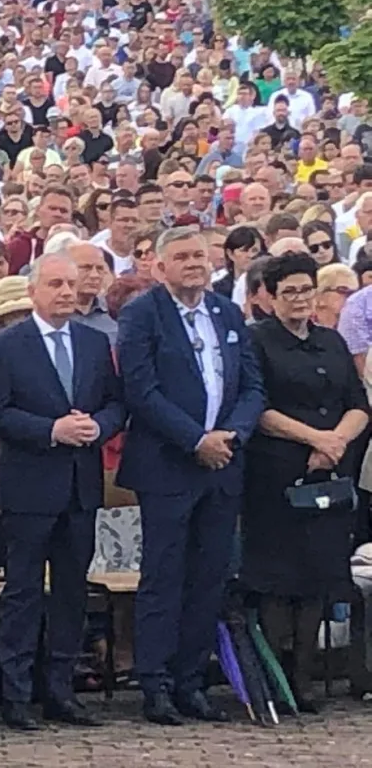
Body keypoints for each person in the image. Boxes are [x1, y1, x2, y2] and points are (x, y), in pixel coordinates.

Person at [116, 226, 265, 726]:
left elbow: (251, 386)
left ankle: (191, 680)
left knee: (210, 577)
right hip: (168, 464)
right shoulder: (142, 313)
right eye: (180, 257)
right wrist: (194, 440)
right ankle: (155, 683)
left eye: (199, 256)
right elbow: (141, 388)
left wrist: (230, 436)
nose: (193, 264)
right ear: (160, 266)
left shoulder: (226, 312)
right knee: (164, 576)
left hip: (223, 465)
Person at [0, 253, 125, 731]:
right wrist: (51, 430)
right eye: (56, 284)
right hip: (29, 486)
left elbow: (115, 402)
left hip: (81, 486)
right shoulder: (7, 345)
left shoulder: (92, 342)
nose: (66, 291)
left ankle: (61, 689)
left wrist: (97, 427)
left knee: (71, 593)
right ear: (35, 291)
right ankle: (16, 693)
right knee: (23, 593)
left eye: (72, 283)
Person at [244, 251, 368, 712]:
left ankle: (306, 680)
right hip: (276, 472)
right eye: (289, 291)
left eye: (306, 289)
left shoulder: (331, 342)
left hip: (330, 473)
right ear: (270, 297)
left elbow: (357, 401)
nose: (299, 299)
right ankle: (279, 682)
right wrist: (314, 438)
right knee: (280, 582)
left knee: (318, 576)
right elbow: (258, 407)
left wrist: (335, 441)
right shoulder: (256, 341)